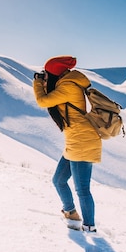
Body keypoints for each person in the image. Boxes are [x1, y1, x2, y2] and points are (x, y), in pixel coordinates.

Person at [33, 56, 101, 232]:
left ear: (54, 74)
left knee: (82, 189)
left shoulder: (68, 86)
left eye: (47, 74)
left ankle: (89, 228)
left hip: (82, 141)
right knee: (59, 180)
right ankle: (70, 213)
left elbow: (42, 101)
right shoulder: (66, 84)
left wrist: (38, 83)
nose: (45, 77)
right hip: (75, 141)